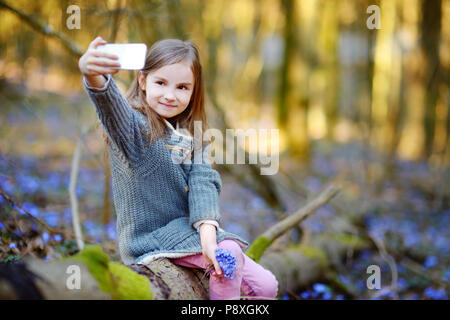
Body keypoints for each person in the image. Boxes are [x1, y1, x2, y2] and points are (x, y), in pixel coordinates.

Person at [78, 36, 278, 300]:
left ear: (194, 91)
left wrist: (208, 234)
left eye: (182, 87)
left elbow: (203, 181)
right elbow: (110, 106)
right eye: (160, 83)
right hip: (150, 239)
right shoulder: (134, 129)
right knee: (228, 254)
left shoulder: (191, 133)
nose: (170, 95)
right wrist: (93, 76)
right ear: (142, 81)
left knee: (266, 287)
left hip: (189, 233)